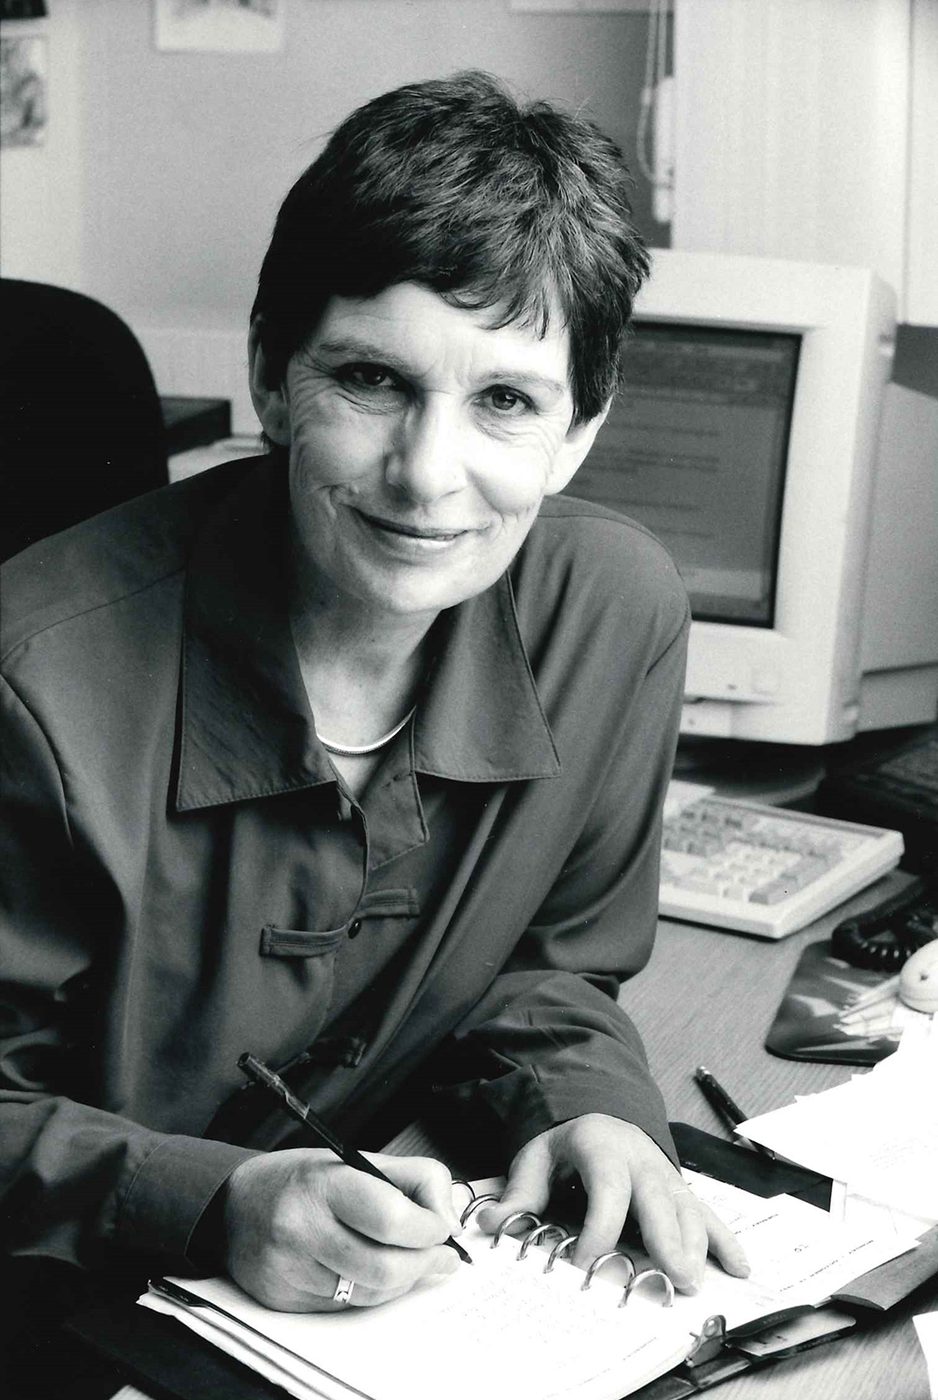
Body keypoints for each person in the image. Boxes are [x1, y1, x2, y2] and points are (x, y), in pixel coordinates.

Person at [0, 71, 748, 1341]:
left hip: (387, 1291)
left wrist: (586, 1099)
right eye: (370, 380)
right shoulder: (34, 679)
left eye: (505, 400)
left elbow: (549, 961)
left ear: (578, 430)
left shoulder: (610, 615)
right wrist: (211, 1201)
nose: (426, 473)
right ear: (271, 375)